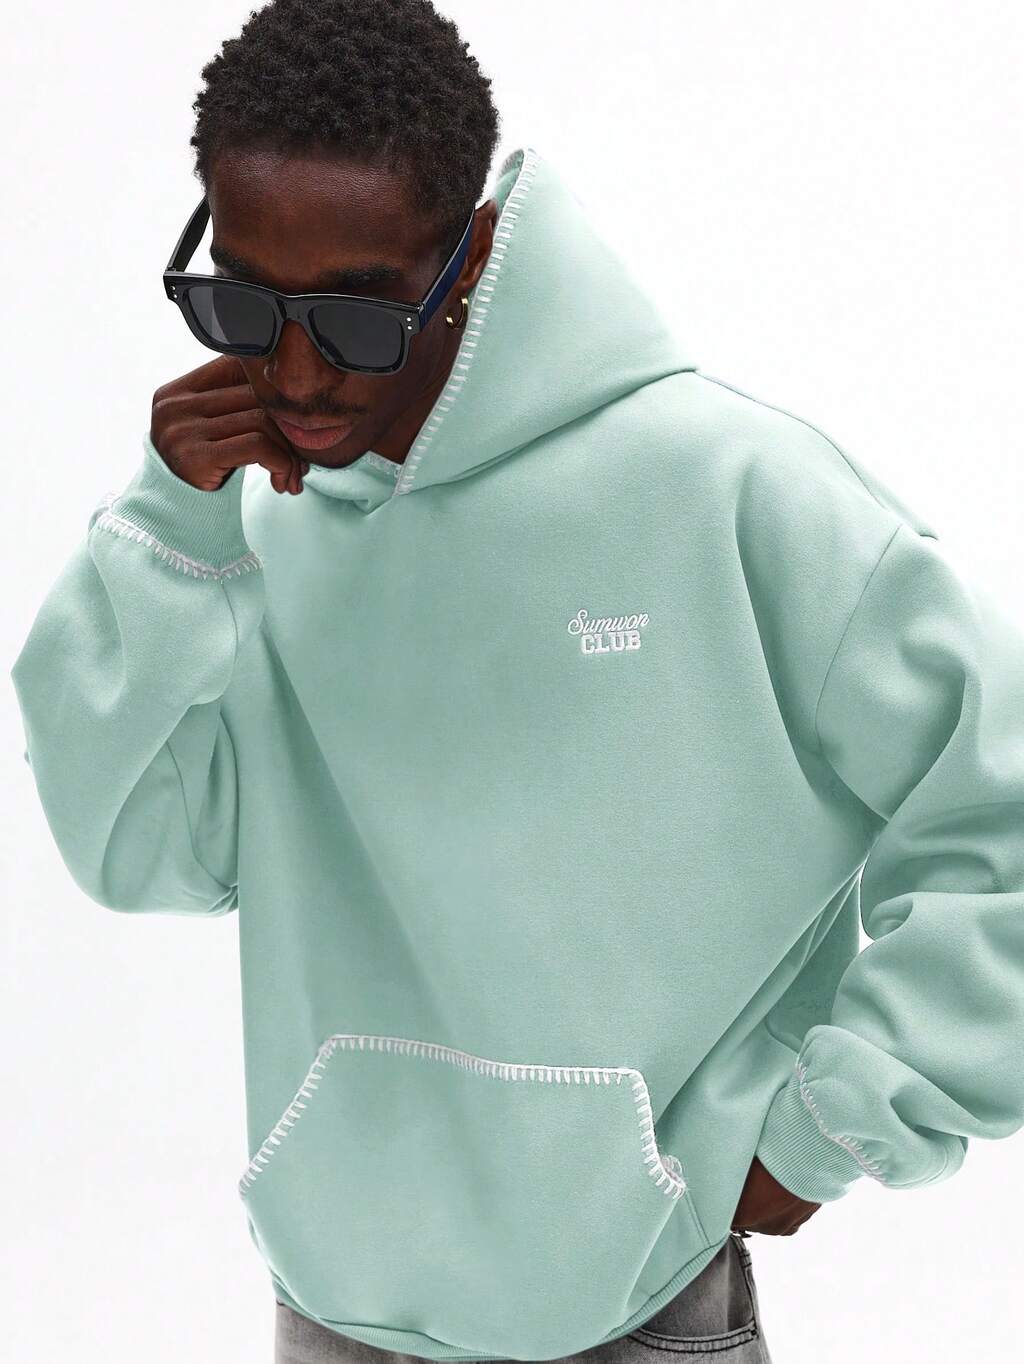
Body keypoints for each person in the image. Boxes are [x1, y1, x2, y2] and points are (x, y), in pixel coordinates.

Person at [11, 2, 1024, 1362]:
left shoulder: (728, 491)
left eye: (356, 313)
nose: (296, 372)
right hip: (333, 1306)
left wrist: (844, 1123)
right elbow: (141, 854)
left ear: (471, 253)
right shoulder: (251, 524)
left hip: (638, 1310)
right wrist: (164, 537)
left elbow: (1000, 809)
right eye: (244, 303)